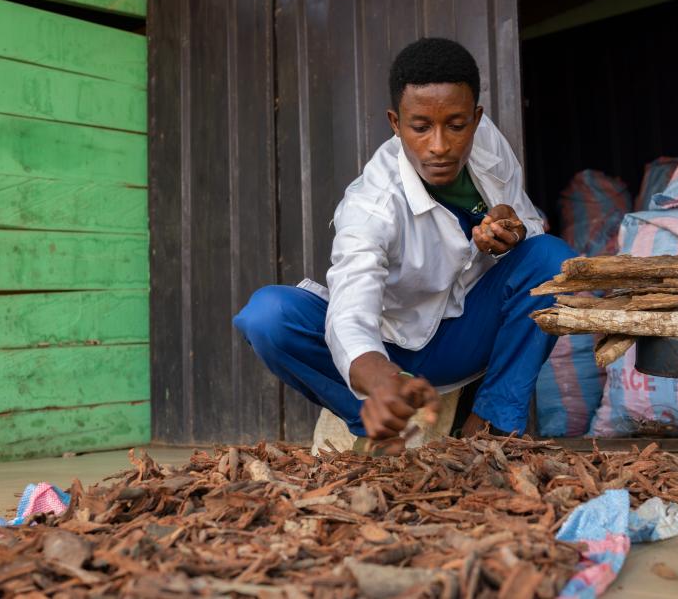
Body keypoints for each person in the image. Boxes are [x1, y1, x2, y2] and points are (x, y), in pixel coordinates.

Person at [234, 37, 576, 441]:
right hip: (390, 347)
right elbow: (350, 313)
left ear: (476, 118)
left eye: (456, 125)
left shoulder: (489, 146)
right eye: (420, 127)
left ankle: (492, 425)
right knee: (268, 317)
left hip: (461, 339)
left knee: (553, 260)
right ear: (396, 124)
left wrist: (514, 231)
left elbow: (530, 226)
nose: (440, 145)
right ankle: (379, 420)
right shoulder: (372, 203)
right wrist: (381, 379)